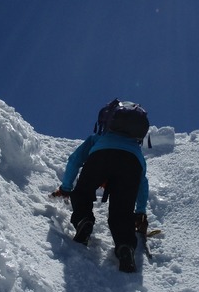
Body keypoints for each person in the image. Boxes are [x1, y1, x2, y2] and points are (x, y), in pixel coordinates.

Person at [53, 101, 149, 273]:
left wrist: (66, 188)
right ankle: (125, 246)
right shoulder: (136, 149)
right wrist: (140, 211)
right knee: (122, 211)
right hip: (131, 164)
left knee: (82, 193)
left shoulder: (98, 139)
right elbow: (142, 183)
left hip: (100, 156)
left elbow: (74, 160)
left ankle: (84, 220)